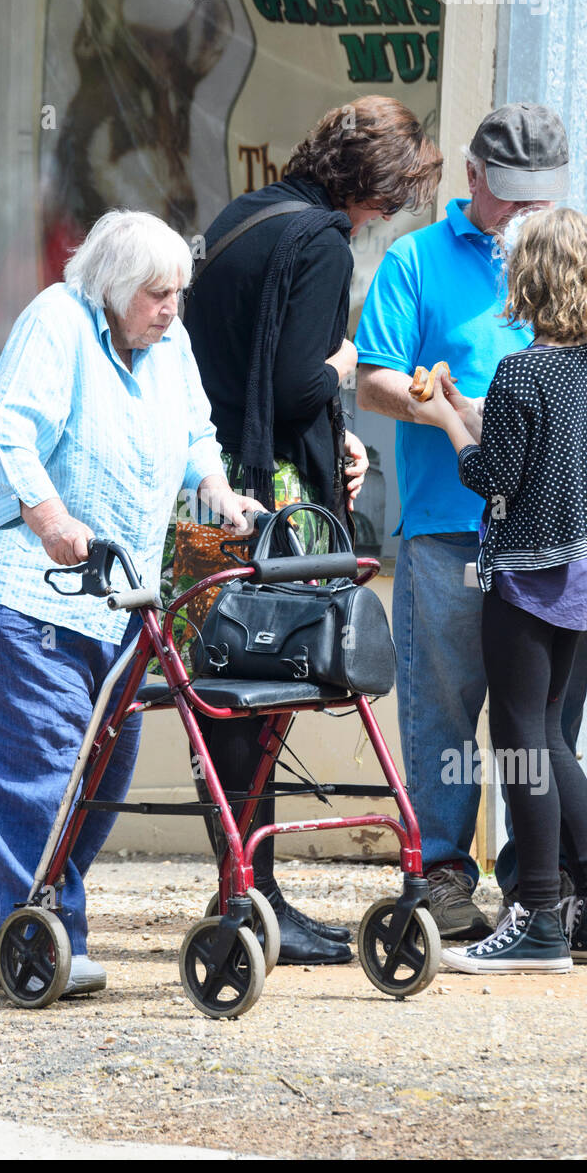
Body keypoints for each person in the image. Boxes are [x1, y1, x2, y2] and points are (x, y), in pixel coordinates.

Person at [0, 211, 261, 996]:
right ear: (111, 287)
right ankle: (45, 939)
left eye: (178, 291)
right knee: (35, 766)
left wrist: (215, 489)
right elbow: (11, 432)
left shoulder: (167, 342)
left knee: (106, 762)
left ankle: (6, 934)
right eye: (155, 293)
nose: (171, 307)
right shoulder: (58, 322)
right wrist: (48, 518)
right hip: (6, 581)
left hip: (112, 595)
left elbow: (194, 433)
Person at [180, 95, 443, 965]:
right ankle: (258, 904)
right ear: (370, 186)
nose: (386, 218)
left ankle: (246, 893)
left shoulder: (243, 215)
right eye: (392, 198)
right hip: (268, 508)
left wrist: (341, 443)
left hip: (203, 495)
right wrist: (344, 365)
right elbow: (297, 384)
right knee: (264, 699)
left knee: (222, 699)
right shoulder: (322, 239)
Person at [354, 102, 587, 941]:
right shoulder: (416, 259)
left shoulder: (562, 255)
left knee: (543, 724)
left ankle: (551, 887)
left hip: (555, 540)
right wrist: (445, 410)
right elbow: (373, 380)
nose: (526, 213)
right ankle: (445, 875)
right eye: (512, 197)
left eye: (542, 197)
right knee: (446, 706)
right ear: (473, 178)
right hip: (448, 526)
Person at [416, 207, 587, 972]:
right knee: (552, 737)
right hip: (581, 574)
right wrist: (469, 411)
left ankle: (536, 917)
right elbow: (532, 445)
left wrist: (444, 422)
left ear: (530, 277)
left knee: (520, 742)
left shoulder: (523, 369)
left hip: (526, 581)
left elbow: (490, 474)